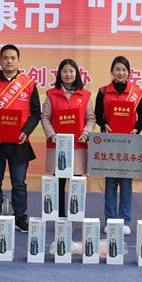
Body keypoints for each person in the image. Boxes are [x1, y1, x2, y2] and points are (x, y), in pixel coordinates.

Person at [0, 44, 41, 233]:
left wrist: (26, 131)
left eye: (13, 58)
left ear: (19, 61)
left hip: (20, 142)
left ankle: (20, 218)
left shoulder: (28, 84)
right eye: (5, 58)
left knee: (19, 183)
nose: (9, 61)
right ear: (0, 61)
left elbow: (36, 113)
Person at [94, 56, 142, 235]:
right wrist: (104, 124)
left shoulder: (136, 92)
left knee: (126, 183)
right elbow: (97, 114)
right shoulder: (103, 91)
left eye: (124, 69)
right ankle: (110, 221)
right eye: (117, 69)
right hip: (109, 142)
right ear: (112, 71)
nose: (121, 73)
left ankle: (124, 221)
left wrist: (136, 129)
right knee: (110, 182)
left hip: (129, 143)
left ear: (129, 72)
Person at [41, 59, 96, 217]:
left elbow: (91, 118)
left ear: (76, 73)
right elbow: (45, 117)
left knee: (75, 184)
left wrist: (86, 133)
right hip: (57, 146)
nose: (68, 74)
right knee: (58, 183)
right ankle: (59, 217)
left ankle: (73, 217)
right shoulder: (51, 94)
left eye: (71, 71)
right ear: (59, 74)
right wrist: (52, 135)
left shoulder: (85, 95)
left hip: (78, 146)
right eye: (64, 71)